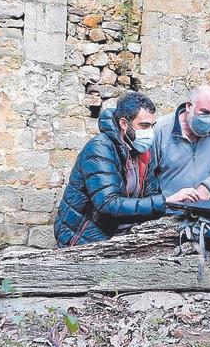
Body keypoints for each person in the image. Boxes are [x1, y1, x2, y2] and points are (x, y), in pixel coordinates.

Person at [54, 92, 199, 247]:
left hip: (118, 235)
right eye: (144, 126)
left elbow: (150, 196)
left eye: (152, 126)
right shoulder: (100, 148)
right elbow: (108, 204)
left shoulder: (142, 153)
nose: (150, 132)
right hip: (83, 236)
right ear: (124, 123)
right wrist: (167, 201)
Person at [152, 85, 210, 201]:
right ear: (189, 106)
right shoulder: (161, 129)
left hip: (204, 207)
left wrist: (209, 186)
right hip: (168, 208)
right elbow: (146, 175)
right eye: (204, 112)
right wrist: (161, 201)